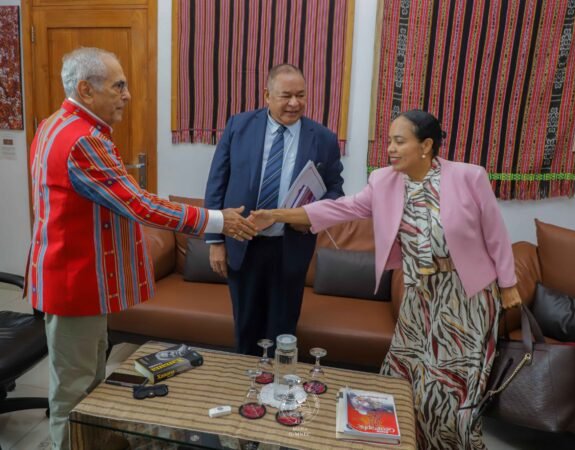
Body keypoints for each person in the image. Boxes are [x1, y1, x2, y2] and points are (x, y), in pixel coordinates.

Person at [27, 47, 257, 450]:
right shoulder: (82, 141)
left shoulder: (54, 124)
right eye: (118, 86)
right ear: (85, 89)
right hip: (74, 287)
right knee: (73, 394)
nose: (127, 95)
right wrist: (217, 220)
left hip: (78, 283)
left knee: (90, 383)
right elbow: (140, 205)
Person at [251, 110, 522, 449]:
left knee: (450, 384)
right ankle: (407, 441)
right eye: (389, 140)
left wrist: (508, 284)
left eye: (399, 141)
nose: (390, 148)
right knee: (404, 374)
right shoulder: (383, 182)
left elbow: (496, 233)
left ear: (426, 145)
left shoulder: (469, 177)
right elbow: (339, 209)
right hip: (419, 295)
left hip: (465, 295)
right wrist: (276, 215)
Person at [205, 63, 344, 355]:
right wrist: (215, 240)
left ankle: (279, 380)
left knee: (283, 330)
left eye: (301, 95)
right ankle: (247, 379)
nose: (294, 103)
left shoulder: (324, 139)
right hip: (243, 243)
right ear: (267, 95)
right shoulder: (239, 126)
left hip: (289, 246)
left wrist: (310, 219)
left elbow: (335, 191)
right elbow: (217, 182)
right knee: (246, 327)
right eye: (286, 96)